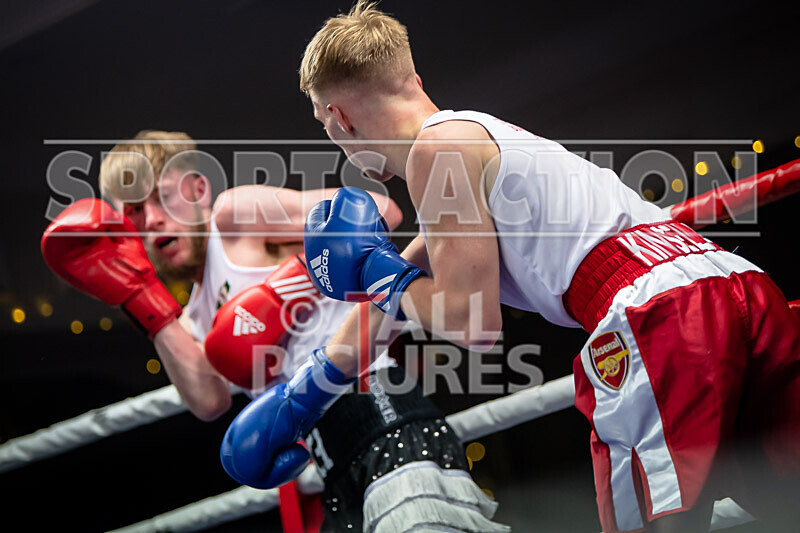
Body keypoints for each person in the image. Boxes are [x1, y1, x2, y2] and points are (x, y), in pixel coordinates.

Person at [220, 2, 800, 532]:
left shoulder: (436, 153)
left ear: (338, 118)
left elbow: (471, 322)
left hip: (656, 313)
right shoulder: (472, 138)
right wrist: (303, 397)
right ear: (413, 81)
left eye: (325, 128)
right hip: (732, 284)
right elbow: (393, 303)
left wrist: (371, 269)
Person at [42, 130, 508, 532]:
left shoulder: (234, 218)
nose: (152, 220)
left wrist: (289, 287)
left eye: (160, 199)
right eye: (134, 215)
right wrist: (139, 296)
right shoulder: (190, 320)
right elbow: (209, 402)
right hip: (330, 468)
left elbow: (379, 211)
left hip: (381, 412)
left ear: (197, 188)